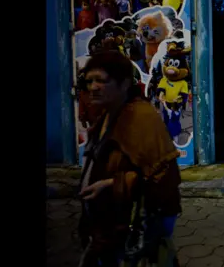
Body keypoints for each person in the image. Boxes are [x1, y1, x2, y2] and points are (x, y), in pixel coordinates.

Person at [77, 51, 182, 267]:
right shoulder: (107, 114)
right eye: (89, 81)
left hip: (135, 228)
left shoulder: (140, 118)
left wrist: (113, 184)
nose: (93, 87)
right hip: (109, 227)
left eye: (101, 80)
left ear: (124, 83)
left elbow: (165, 178)